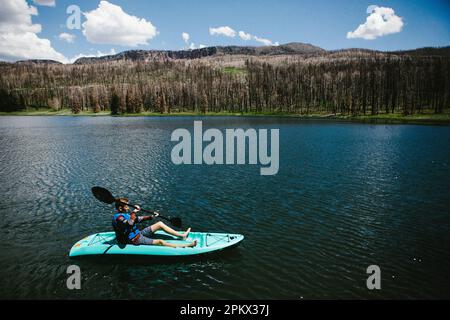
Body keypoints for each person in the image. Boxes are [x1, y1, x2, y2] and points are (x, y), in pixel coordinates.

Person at [112, 198, 197, 248]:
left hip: (139, 234)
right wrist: (134, 212)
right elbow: (129, 223)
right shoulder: (119, 217)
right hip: (134, 239)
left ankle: (182, 236)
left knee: (159, 223)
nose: (128, 207)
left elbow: (137, 219)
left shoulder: (126, 214)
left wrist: (151, 217)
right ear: (120, 208)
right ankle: (187, 245)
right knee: (160, 241)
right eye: (126, 205)